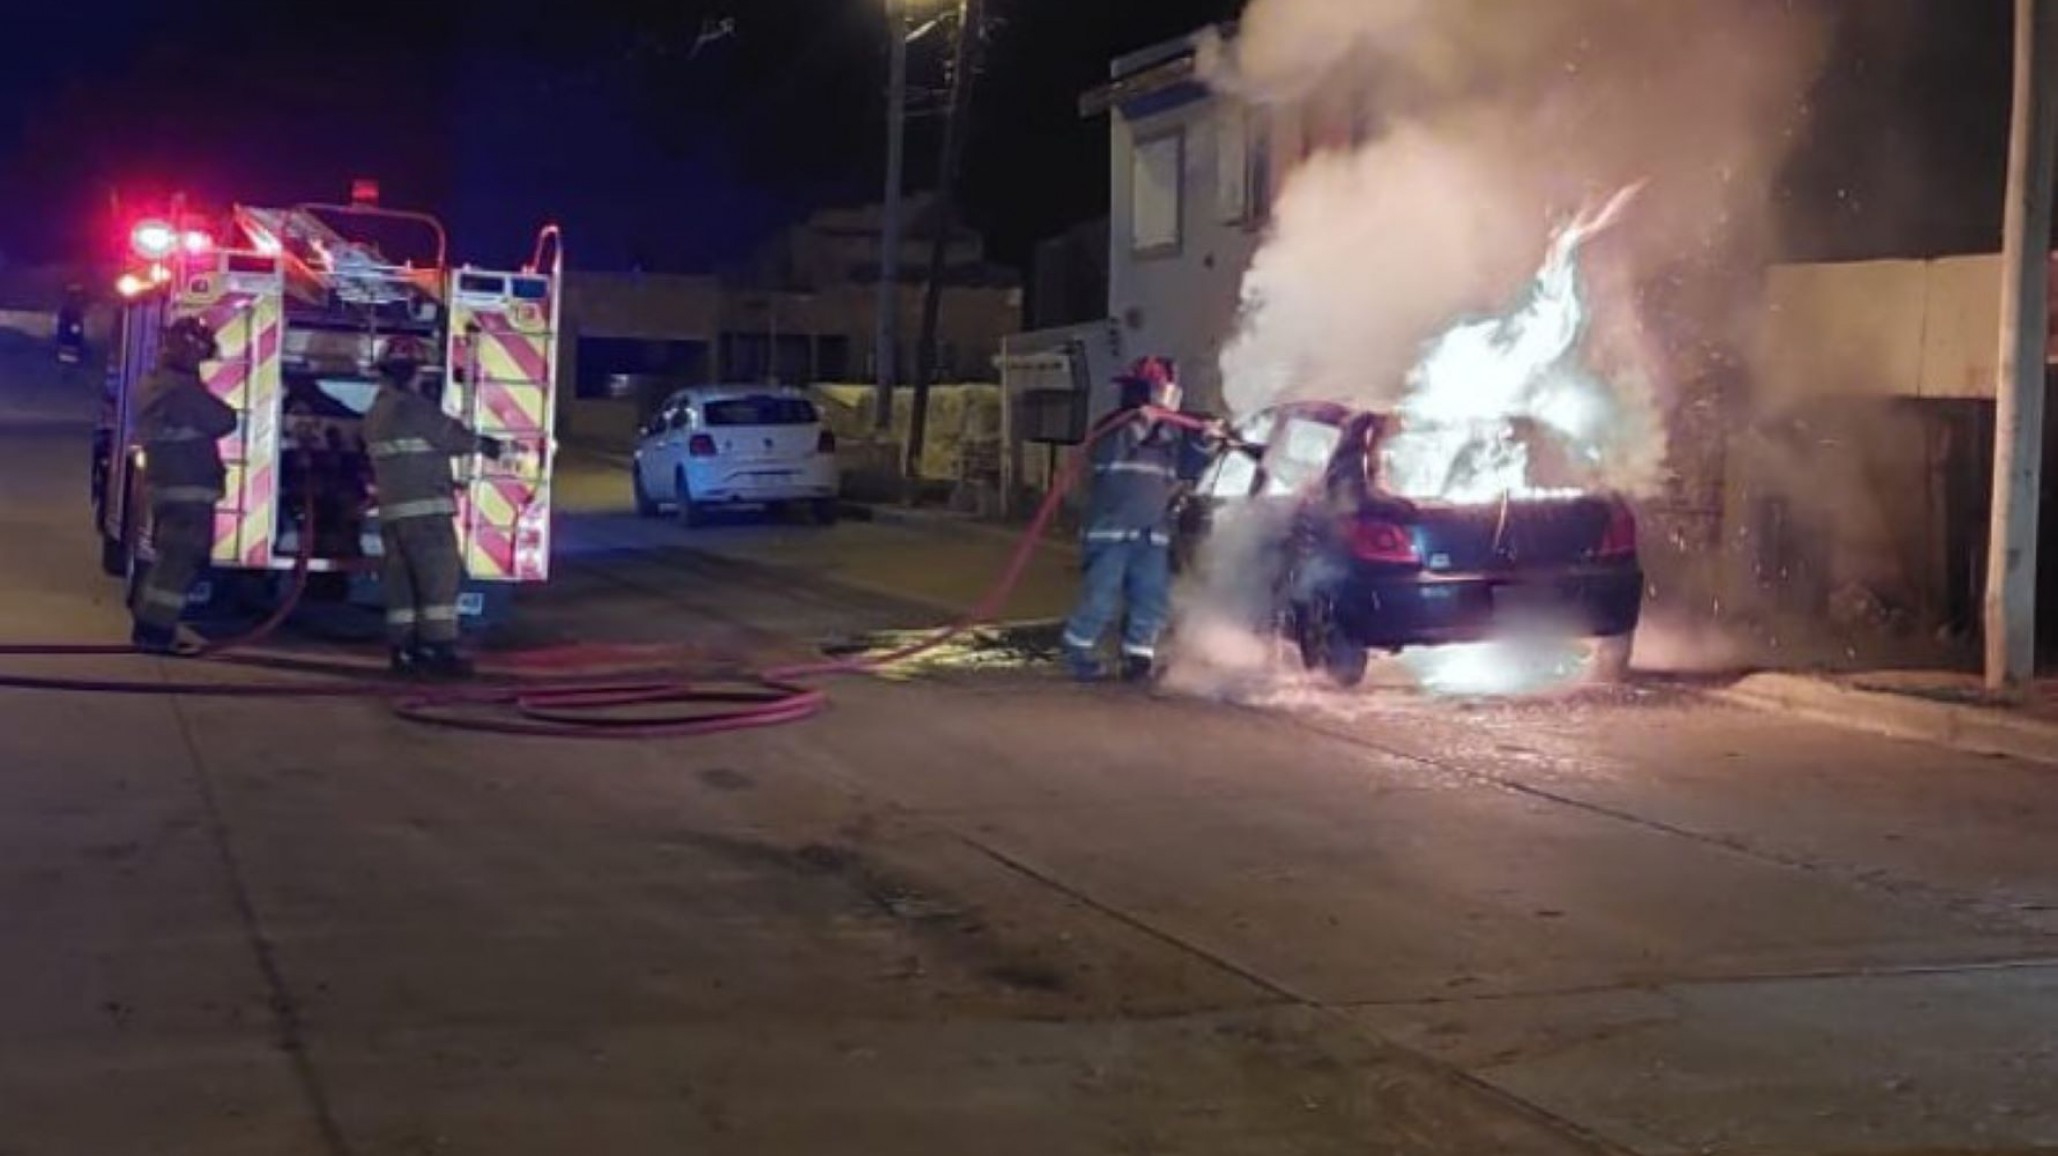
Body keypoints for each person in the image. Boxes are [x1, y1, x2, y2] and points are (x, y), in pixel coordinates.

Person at [1060, 357, 1218, 683]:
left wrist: (1204, 441)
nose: (1170, 399)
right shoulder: (1113, 428)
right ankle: (1078, 652)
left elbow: (1188, 470)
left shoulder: (1170, 434)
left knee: (1151, 596)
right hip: (1111, 533)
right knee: (1101, 596)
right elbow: (1106, 454)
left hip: (1152, 535)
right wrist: (1140, 425)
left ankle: (1139, 656)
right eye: (1163, 391)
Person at [362, 334, 503, 677]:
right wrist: (489, 445)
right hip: (426, 516)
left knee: (403, 588)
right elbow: (451, 437)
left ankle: (403, 652)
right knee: (437, 582)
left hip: (394, 515)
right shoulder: (412, 407)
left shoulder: (376, 413)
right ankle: (439, 652)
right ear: (411, 372)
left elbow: (409, 458)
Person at [130, 317, 237, 653]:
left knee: (169, 559)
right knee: (179, 560)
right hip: (188, 486)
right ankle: (156, 632)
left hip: (168, 485)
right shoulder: (180, 388)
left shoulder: (154, 383)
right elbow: (223, 419)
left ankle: (149, 626)